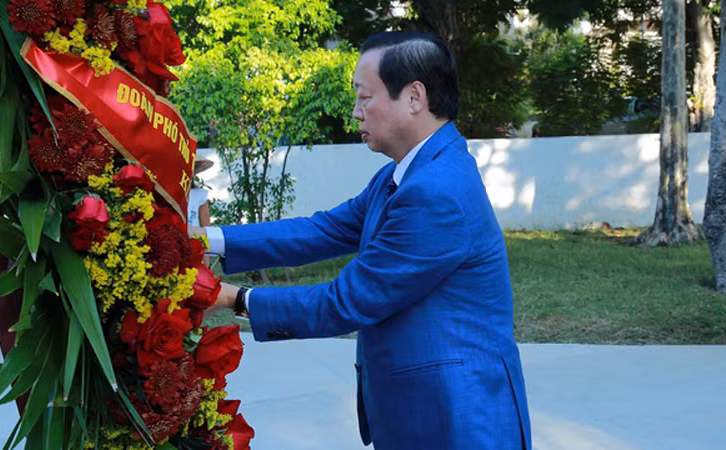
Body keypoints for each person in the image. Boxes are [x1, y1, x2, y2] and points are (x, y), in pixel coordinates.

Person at [189, 31, 531, 449]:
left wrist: (233, 299)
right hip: (427, 411)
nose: (355, 113)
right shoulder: (406, 173)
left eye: (364, 98)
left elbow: (347, 301)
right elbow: (325, 229)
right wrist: (205, 238)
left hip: (455, 419)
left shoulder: (435, 191)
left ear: (414, 97)